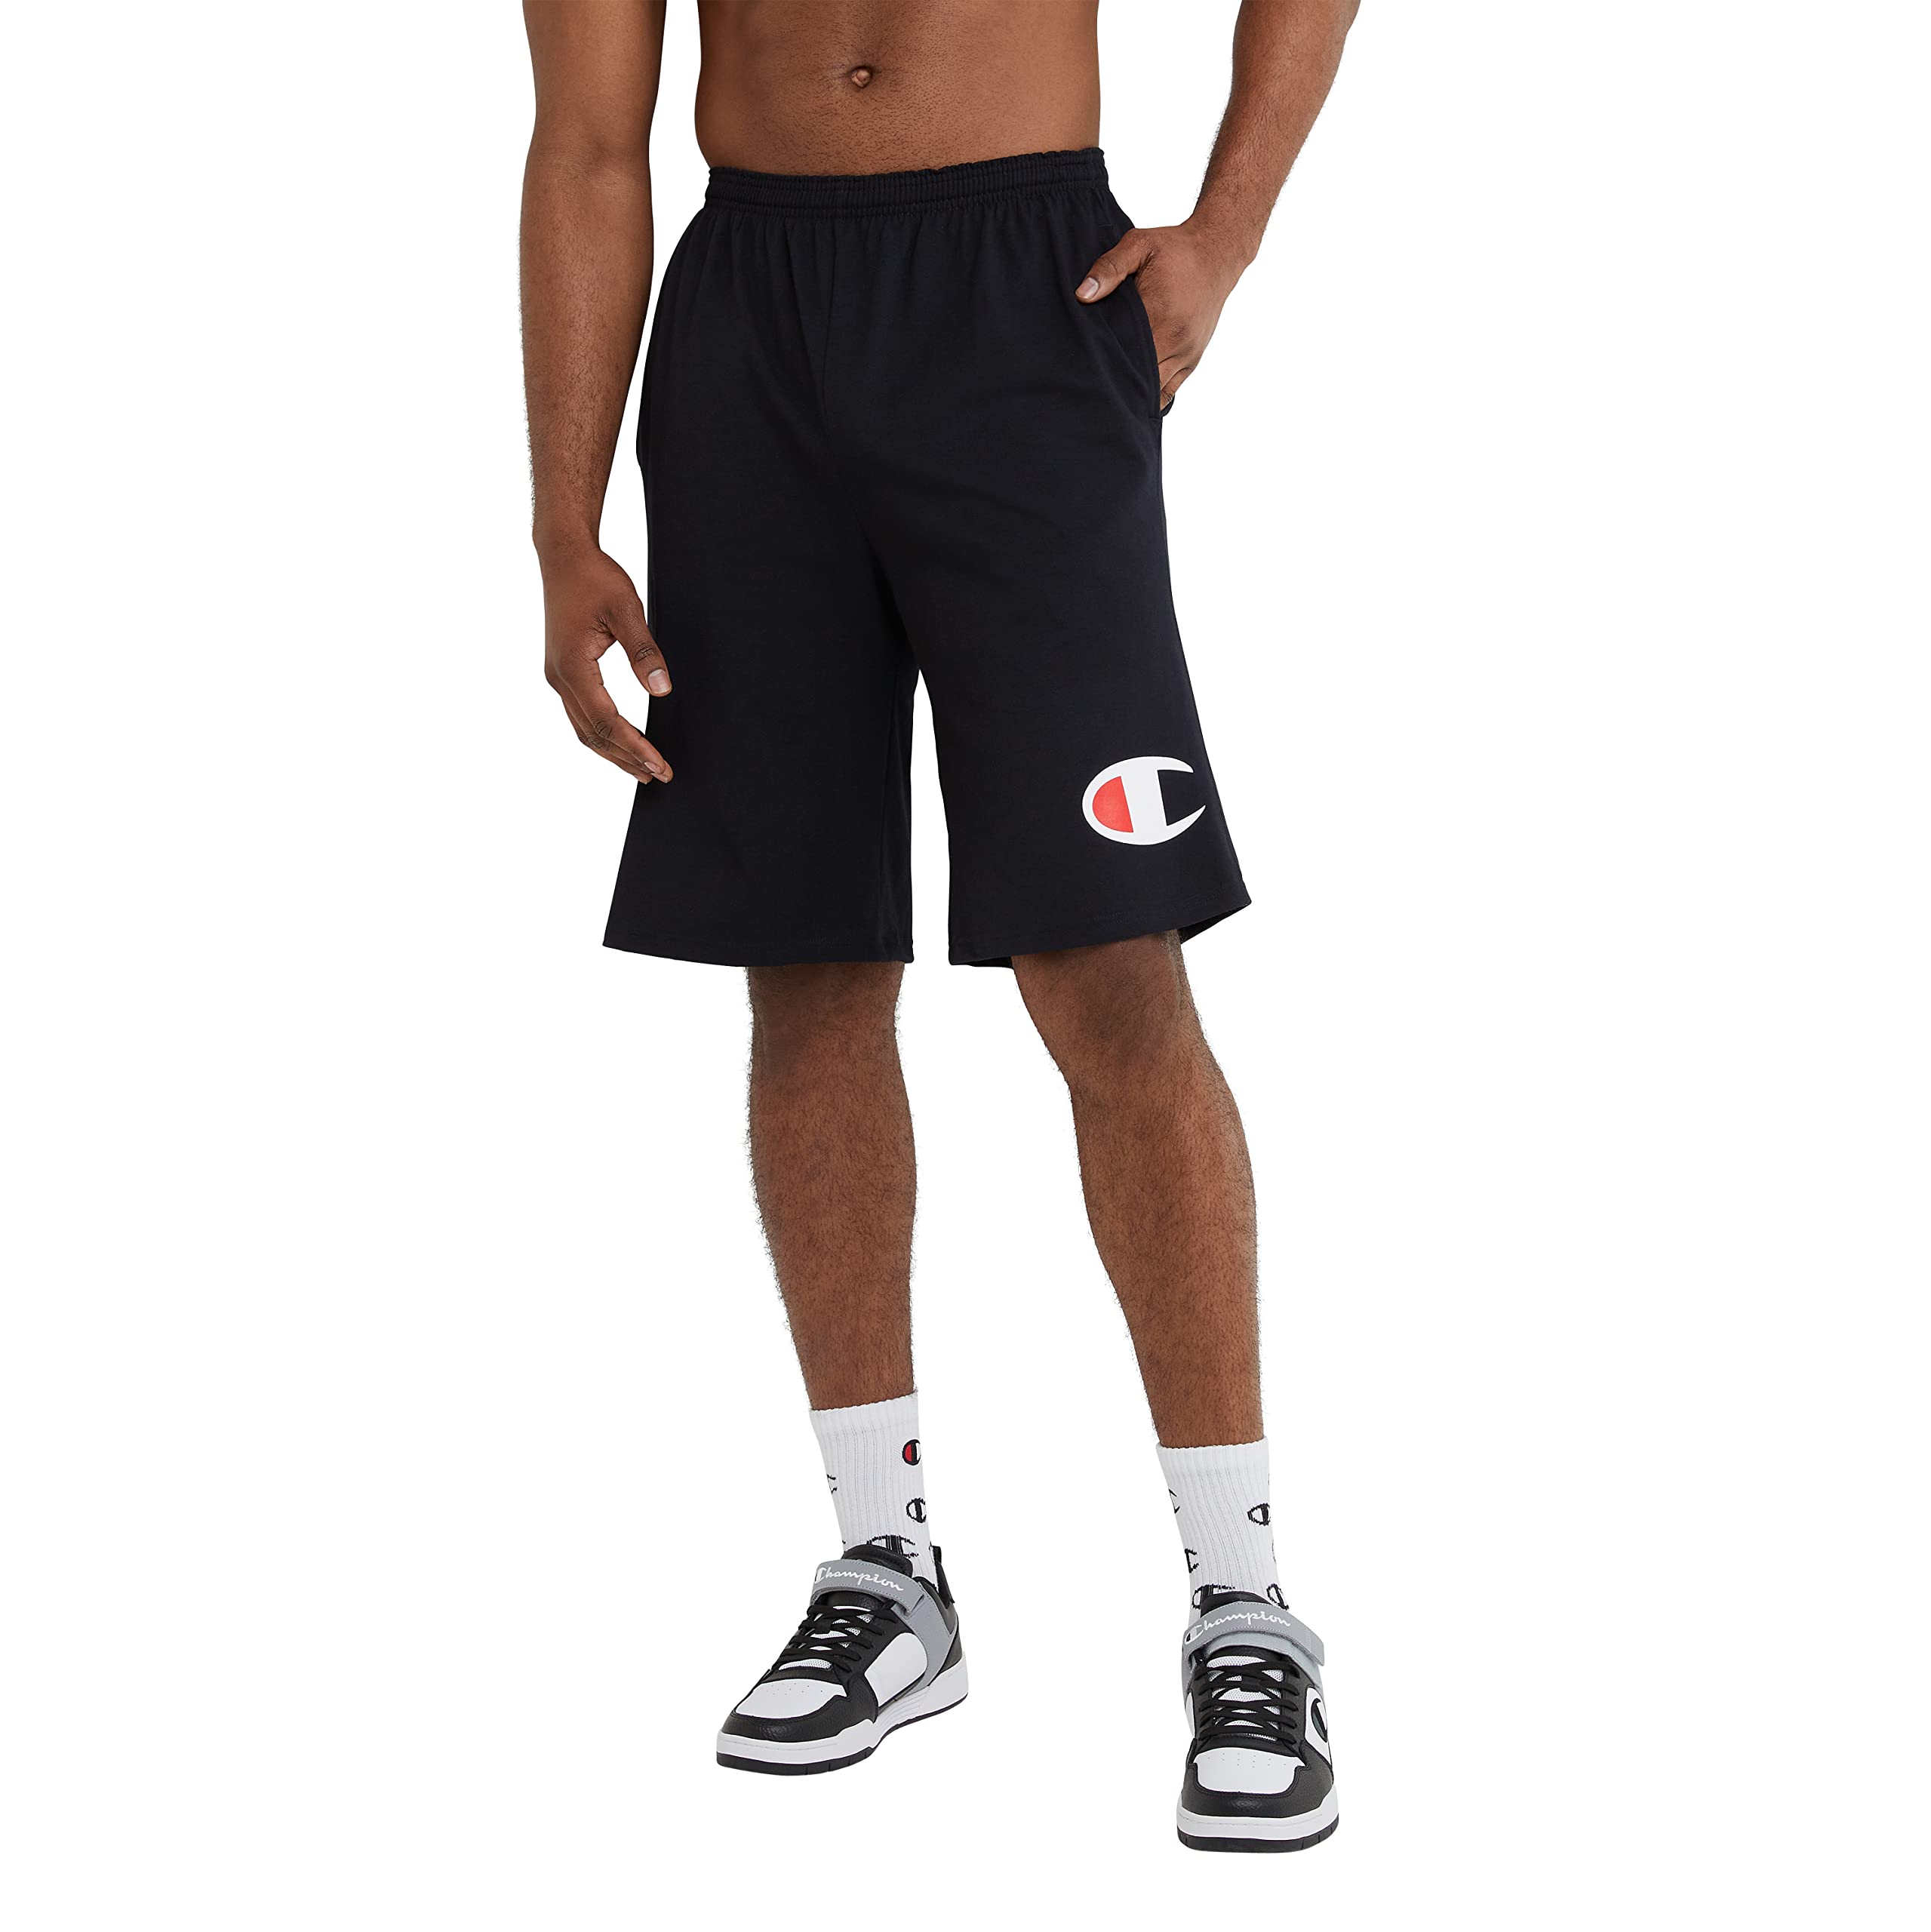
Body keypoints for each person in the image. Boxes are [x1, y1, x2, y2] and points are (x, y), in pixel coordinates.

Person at [520, 0, 1359, 1852]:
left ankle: (1242, 1601)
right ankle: (884, 1569)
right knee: (807, 961)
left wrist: (1227, 226)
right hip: (748, 326)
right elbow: (585, 144)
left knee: (1106, 959)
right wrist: (562, 522)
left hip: (1020, 290)